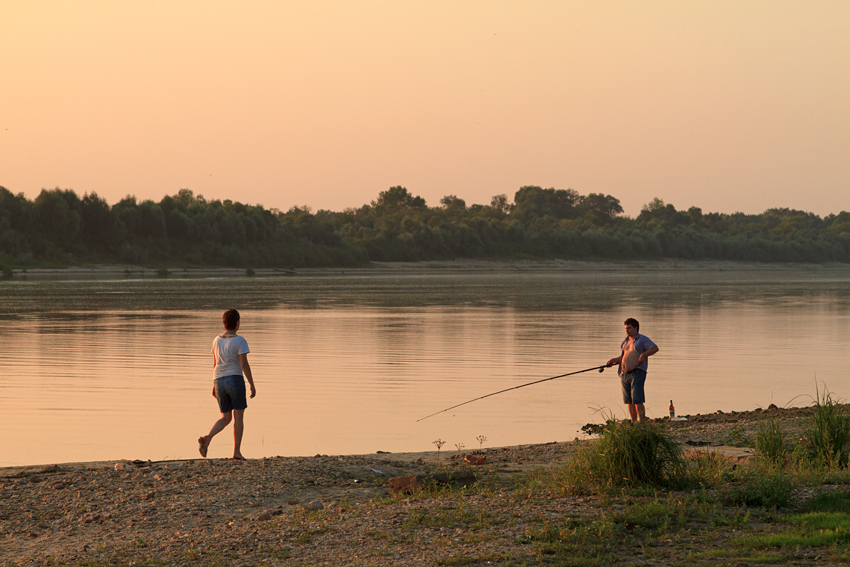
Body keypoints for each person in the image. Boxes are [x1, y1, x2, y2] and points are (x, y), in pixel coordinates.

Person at [198, 309, 256, 460]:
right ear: (237, 323)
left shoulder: (216, 340)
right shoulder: (240, 341)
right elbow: (243, 364)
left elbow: (215, 364)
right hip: (234, 380)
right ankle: (236, 452)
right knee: (238, 418)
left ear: (224, 323)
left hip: (219, 380)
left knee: (225, 418)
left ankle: (208, 437)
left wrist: (214, 385)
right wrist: (251, 383)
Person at [606, 318, 658, 424]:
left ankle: (642, 423)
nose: (627, 330)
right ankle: (633, 423)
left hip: (637, 372)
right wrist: (612, 361)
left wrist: (643, 355)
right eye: (625, 328)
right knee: (629, 401)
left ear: (636, 328)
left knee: (637, 400)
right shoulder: (625, 342)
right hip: (624, 374)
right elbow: (623, 357)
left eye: (629, 328)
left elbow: (654, 348)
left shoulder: (642, 339)